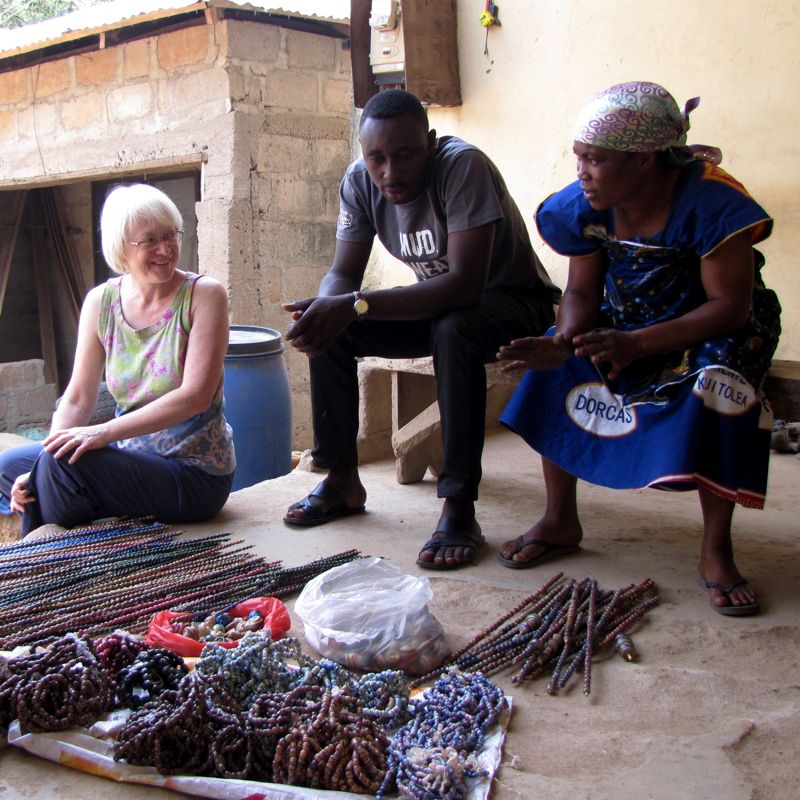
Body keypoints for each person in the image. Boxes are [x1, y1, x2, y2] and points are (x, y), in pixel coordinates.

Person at [496, 81, 781, 616]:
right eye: (579, 157)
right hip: (628, 318)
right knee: (561, 369)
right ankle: (561, 518)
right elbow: (580, 291)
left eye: (597, 160)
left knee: (721, 384)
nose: (582, 172)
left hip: (711, 327)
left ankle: (715, 549)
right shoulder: (587, 205)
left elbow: (729, 307)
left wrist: (637, 344)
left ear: (646, 160)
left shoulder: (713, 203)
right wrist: (563, 341)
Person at [282, 88, 559, 570]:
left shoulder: (462, 167)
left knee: (454, 328)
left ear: (429, 142)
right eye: (378, 159)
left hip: (514, 304)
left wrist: (354, 304)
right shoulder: (359, 181)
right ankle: (342, 478)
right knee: (332, 328)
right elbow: (343, 275)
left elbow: (466, 287)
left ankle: (458, 506)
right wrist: (327, 308)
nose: (390, 171)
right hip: (442, 308)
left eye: (405, 154)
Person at [0, 184, 236, 537]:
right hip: (128, 456)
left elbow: (195, 396)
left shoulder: (204, 295)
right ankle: (80, 527)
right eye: (150, 240)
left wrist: (101, 434)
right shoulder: (102, 302)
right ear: (120, 248)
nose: (165, 249)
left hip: (191, 474)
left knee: (58, 467)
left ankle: (42, 559)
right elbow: (78, 398)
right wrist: (44, 459)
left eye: (171, 235)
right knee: (11, 466)